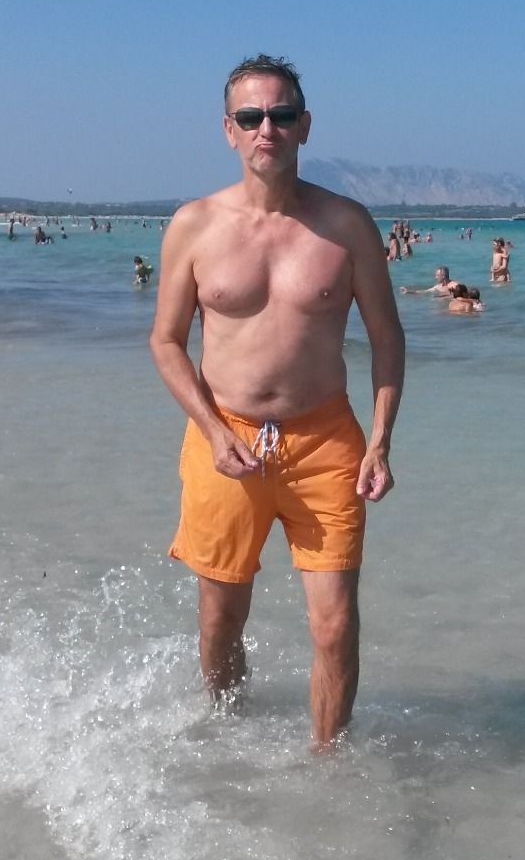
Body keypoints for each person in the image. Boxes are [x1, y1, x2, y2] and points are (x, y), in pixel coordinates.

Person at [150, 54, 405, 749]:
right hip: (224, 440)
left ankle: (329, 770)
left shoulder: (347, 225)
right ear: (228, 129)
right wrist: (211, 429)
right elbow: (166, 342)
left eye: (282, 114)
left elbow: (387, 339)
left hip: (326, 442)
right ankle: (229, 741)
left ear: (305, 126)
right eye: (251, 116)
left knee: (335, 624)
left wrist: (380, 440)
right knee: (220, 620)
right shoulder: (194, 225)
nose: (268, 128)